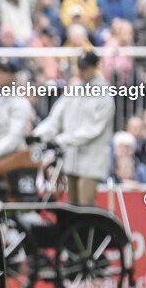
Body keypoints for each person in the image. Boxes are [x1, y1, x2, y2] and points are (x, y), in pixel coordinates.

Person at [31, 51, 115, 206]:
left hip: (92, 161)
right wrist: (36, 136)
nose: (82, 71)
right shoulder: (73, 90)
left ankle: (91, 231)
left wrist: (59, 140)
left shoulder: (104, 96)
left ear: (95, 67)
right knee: (72, 205)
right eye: (80, 67)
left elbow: (92, 130)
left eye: (86, 68)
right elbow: (55, 119)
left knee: (86, 204)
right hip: (71, 159)